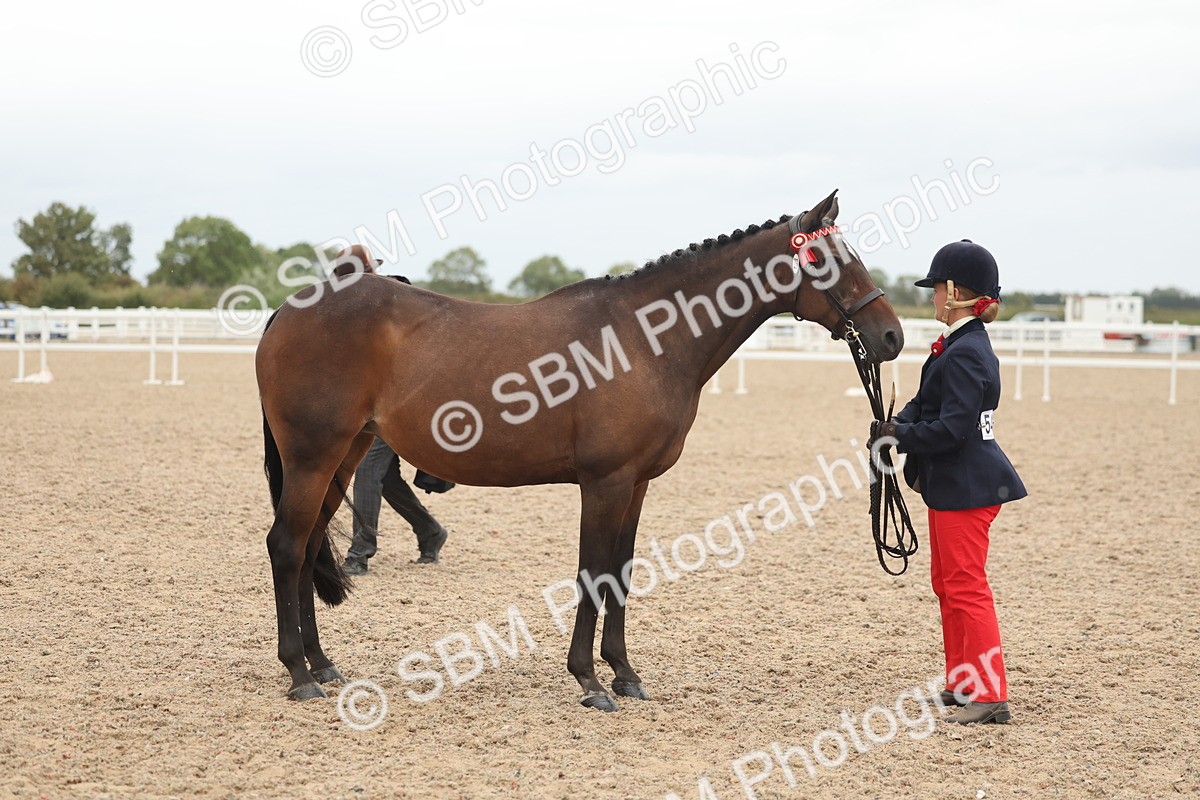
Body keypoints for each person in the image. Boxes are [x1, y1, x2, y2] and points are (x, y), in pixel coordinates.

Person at [870, 240, 1026, 725]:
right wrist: (895, 424)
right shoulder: (958, 346)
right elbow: (925, 405)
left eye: (937, 288)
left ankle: (990, 693)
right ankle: (963, 682)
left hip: (966, 484)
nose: (934, 296)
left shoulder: (965, 352)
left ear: (956, 292)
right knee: (948, 584)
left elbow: (952, 429)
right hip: (954, 483)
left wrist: (901, 436)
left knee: (966, 587)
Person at [323, 245, 451, 574]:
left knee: (367, 470)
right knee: (387, 478)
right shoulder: (356, 306)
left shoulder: (395, 298)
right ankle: (430, 531)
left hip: (398, 404)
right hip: (373, 403)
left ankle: (359, 553)